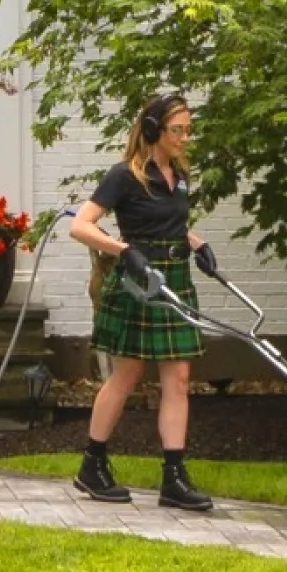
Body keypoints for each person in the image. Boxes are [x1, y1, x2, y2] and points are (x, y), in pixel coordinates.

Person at [69, 93, 218, 512]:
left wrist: (196, 242)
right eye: (177, 130)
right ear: (153, 131)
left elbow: (168, 225)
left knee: (180, 378)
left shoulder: (180, 175)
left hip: (175, 281)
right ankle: (92, 466)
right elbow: (81, 226)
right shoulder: (124, 176)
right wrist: (122, 250)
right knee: (126, 375)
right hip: (138, 281)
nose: (185, 138)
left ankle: (173, 477)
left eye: (189, 130)